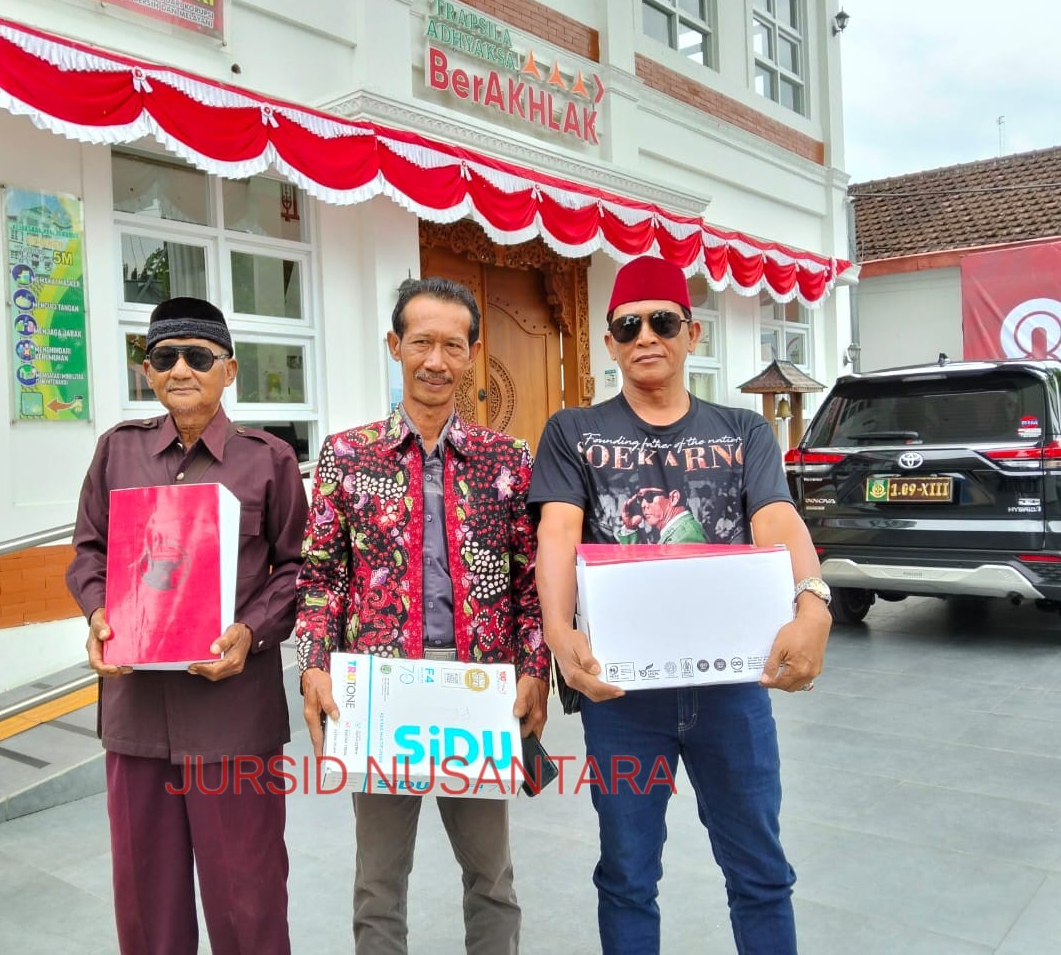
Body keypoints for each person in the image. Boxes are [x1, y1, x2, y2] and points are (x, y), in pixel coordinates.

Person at [529, 256, 832, 954]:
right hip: (623, 697)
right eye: (628, 326)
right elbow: (558, 532)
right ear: (609, 343)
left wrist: (813, 603)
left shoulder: (743, 432)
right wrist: (556, 632)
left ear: (692, 333)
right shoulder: (573, 432)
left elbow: (776, 519)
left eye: (663, 322)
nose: (646, 336)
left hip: (732, 690)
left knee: (760, 872)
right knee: (628, 875)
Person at [296, 277, 549, 955]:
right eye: (421, 343)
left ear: (471, 354)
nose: (436, 360)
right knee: (379, 883)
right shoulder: (347, 456)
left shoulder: (506, 461)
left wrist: (535, 670)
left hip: (478, 686)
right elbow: (320, 577)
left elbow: (529, 583)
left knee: (491, 877)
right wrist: (313, 667)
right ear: (395, 345)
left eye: (452, 346)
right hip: (380, 689)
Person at [66, 296, 307, 955]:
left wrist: (249, 632)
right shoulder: (117, 452)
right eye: (164, 356)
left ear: (229, 370)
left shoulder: (268, 459)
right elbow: (89, 552)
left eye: (198, 357)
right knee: (146, 905)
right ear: (147, 371)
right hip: (137, 714)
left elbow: (296, 569)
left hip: (233, 716)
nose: (180, 370)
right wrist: (98, 614)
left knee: (248, 900)